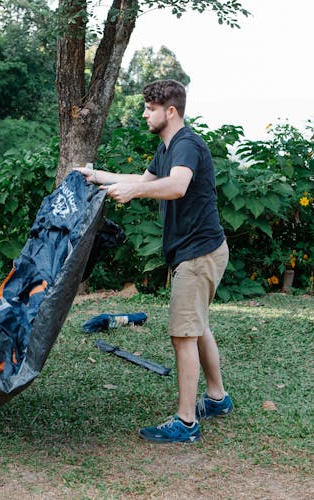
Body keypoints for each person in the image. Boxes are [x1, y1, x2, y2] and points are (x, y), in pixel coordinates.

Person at [75, 80, 232, 443]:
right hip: (200, 250)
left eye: (150, 108)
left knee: (183, 335)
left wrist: (135, 191)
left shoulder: (186, 145)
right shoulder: (167, 148)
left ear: (170, 111)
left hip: (198, 253)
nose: (145, 113)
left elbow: (176, 186)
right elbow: (143, 179)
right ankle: (218, 399)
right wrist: (96, 176)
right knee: (198, 326)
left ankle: (186, 422)